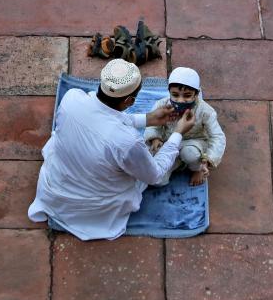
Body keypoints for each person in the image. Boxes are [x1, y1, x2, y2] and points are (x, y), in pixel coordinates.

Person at [27, 59, 196, 241]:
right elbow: (154, 174)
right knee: (156, 174)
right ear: (129, 101)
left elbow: (105, 119)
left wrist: (148, 119)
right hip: (93, 209)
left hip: (56, 192)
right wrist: (177, 133)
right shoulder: (128, 142)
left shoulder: (71, 98)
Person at [145, 67, 226, 187]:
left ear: (196, 94)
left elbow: (218, 137)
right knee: (157, 180)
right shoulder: (162, 105)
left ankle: (196, 168)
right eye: (175, 95)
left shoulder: (205, 111)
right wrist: (155, 138)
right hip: (168, 143)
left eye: (187, 96)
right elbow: (153, 124)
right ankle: (179, 163)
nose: (181, 100)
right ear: (169, 92)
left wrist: (207, 160)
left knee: (190, 154)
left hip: (193, 144)